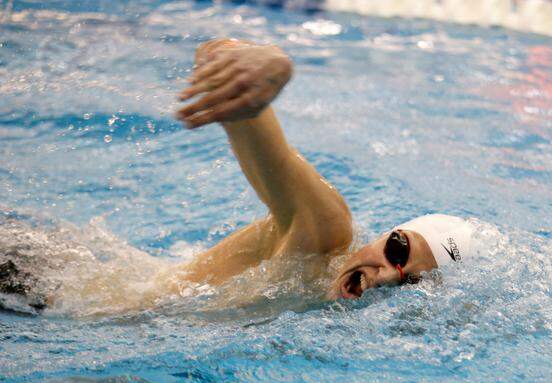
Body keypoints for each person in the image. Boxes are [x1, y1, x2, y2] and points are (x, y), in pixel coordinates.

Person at [174, 37, 479, 301]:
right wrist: (265, 61)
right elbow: (220, 67)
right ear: (385, 235)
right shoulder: (324, 233)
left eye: (411, 283)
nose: (386, 277)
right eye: (397, 251)